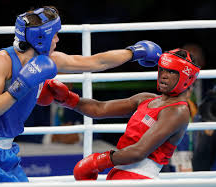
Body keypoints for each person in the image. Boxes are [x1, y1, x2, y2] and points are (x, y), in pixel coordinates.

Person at [0, 6, 162, 183]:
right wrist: (22, 85)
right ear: (41, 38)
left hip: (6, 151)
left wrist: (134, 52)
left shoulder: (51, 60)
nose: (58, 39)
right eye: (54, 35)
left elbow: (96, 61)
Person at [41, 48, 201, 180]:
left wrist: (98, 161)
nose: (163, 75)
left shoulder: (178, 111)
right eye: (162, 69)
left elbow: (139, 151)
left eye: (172, 72)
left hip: (140, 177)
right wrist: (67, 99)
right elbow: (99, 109)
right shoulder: (146, 99)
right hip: (120, 173)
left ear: (187, 78)